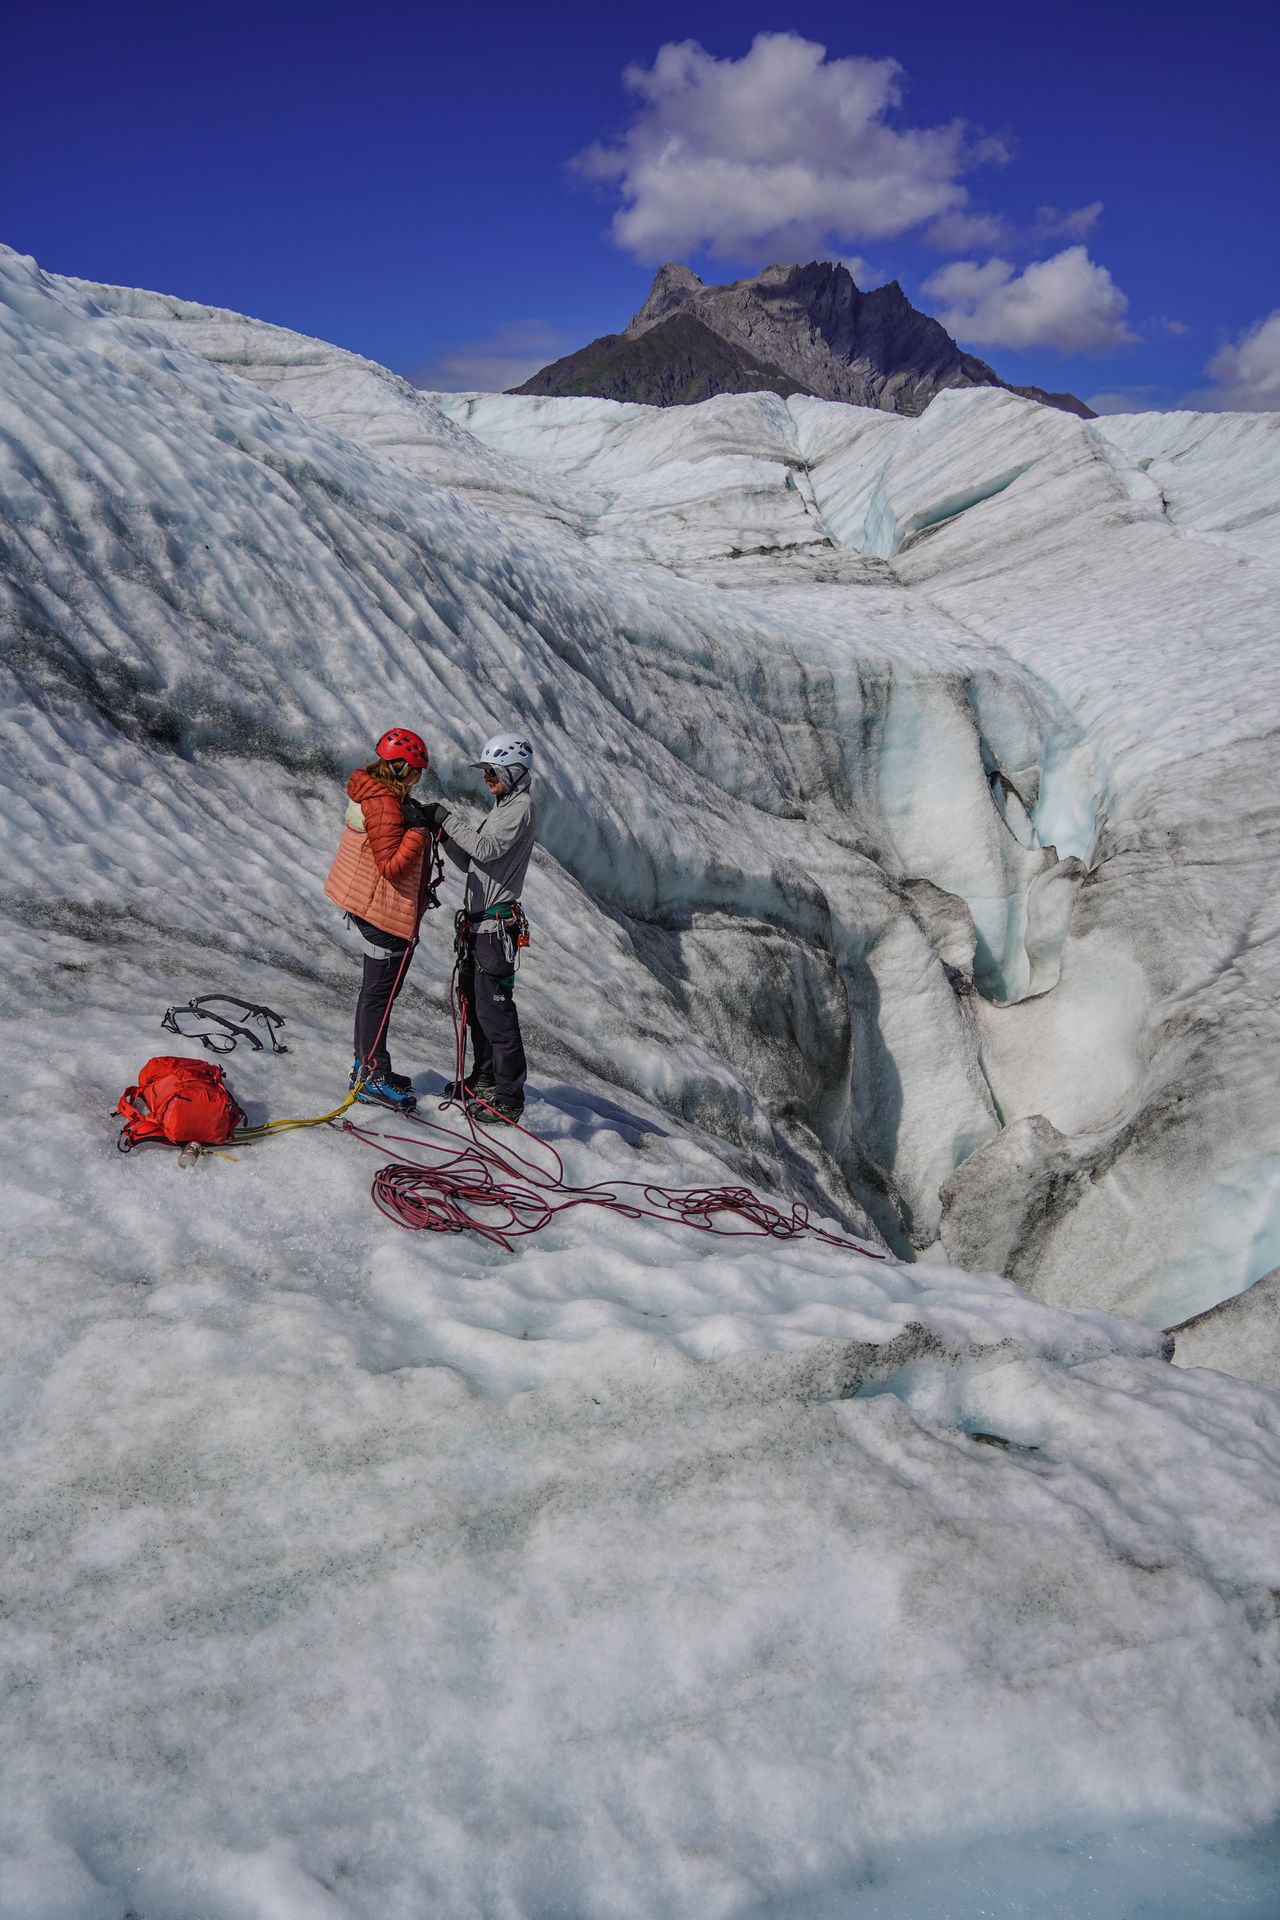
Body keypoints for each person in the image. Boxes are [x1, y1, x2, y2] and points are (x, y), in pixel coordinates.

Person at [413, 733, 536, 1126]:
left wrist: (446, 818)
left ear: (514, 772)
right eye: (485, 772)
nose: (486, 778)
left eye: (492, 771)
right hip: (480, 927)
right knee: (477, 1009)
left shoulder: (520, 808)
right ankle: (484, 1080)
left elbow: (484, 850)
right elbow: (472, 862)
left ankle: (508, 1097)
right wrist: (446, 835)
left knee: (496, 1013)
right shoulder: (503, 807)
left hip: (494, 929)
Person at [324, 727, 432, 1112]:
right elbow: (390, 866)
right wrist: (419, 833)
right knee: (378, 997)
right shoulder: (385, 804)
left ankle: (370, 1067)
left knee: (376, 996)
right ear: (403, 769)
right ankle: (371, 1077)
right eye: (418, 771)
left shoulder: (377, 794)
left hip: (375, 908)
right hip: (382, 913)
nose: (420, 778)